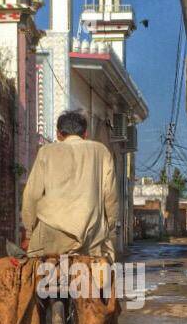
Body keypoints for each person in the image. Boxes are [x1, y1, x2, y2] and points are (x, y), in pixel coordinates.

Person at [21, 110, 120, 262]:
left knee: (43, 278)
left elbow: (32, 196)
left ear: (58, 134)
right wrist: (109, 229)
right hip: (90, 234)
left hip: (50, 233)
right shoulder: (101, 152)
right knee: (91, 279)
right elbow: (111, 198)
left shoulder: (46, 152)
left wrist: (28, 233)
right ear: (85, 134)